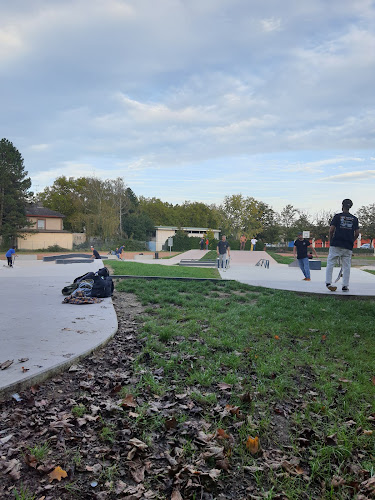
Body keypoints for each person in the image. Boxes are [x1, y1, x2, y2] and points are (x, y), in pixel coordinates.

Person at [325, 199, 359, 292]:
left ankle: (328, 282)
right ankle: (345, 285)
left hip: (336, 243)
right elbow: (357, 233)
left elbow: (331, 230)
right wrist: (352, 241)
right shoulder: (355, 219)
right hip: (348, 245)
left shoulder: (337, 216)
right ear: (350, 207)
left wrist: (330, 240)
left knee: (331, 263)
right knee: (347, 266)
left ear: (342, 205)